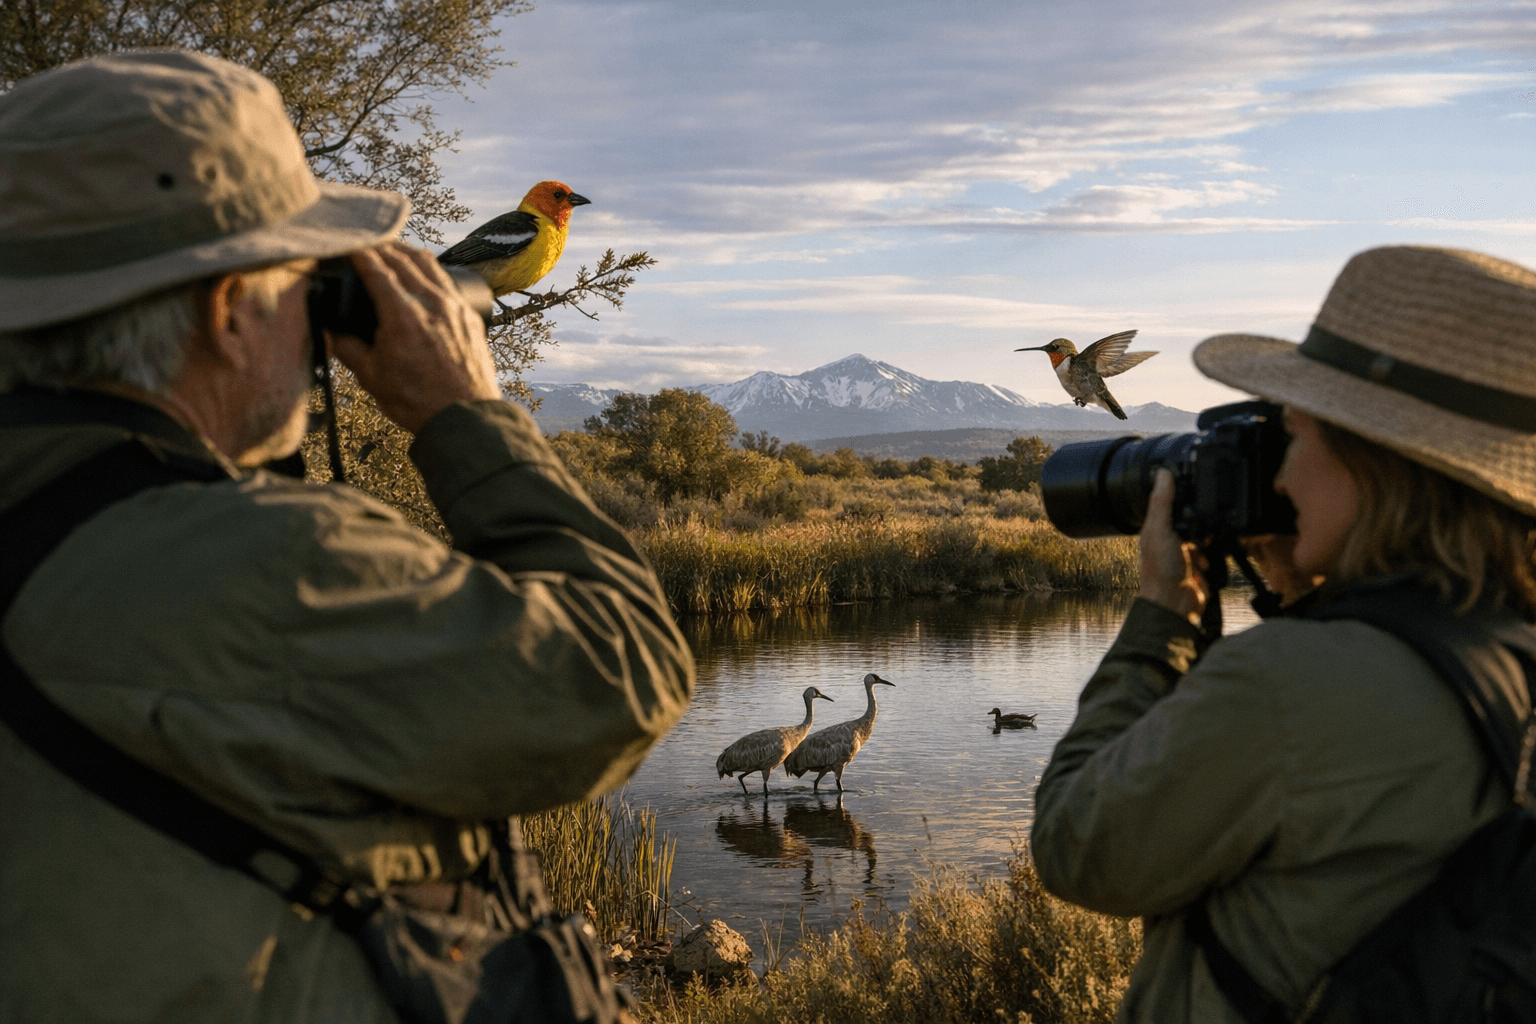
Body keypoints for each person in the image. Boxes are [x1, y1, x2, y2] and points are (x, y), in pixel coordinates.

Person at [0, 51, 695, 1021]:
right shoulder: (274, 567)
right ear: (228, 311)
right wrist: (464, 411)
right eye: (306, 279)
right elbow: (622, 671)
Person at [1030, 244, 1536, 1022]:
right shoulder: (1505, 647)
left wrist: (1162, 619)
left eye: (1294, 438)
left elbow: (1077, 849)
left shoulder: (1290, 680)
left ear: (1373, 464)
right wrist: (1302, 597)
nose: (1283, 476)